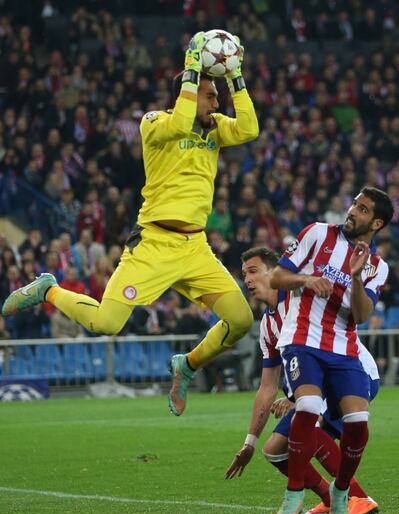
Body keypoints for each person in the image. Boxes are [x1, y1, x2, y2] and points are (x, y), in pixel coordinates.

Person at [1, 31, 259, 417]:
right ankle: (48, 290)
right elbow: (181, 122)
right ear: (187, 92)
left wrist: (235, 78)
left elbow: (251, 128)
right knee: (106, 323)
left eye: (217, 96)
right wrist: (192, 67)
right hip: (154, 244)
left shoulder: (216, 128)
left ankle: (185, 365)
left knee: (241, 320)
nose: (217, 102)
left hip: (195, 248)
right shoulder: (155, 123)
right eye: (211, 95)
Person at [269, 186, 394, 514]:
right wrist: (307, 278)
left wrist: (354, 276)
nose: (353, 211)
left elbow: (361, 314)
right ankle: (293, 495)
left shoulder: (377, 267)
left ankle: (341, 493)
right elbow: (277, 276)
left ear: (377, 222)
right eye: (354, 203)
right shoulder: (317, 233)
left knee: (357, 421)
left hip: (344, 348)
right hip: (302, 340)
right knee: (307, 405)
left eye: (364, 209)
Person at [225, 246, 379, 514]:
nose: (247, 279)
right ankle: (330, 499)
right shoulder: (267, 327)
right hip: (315, 387)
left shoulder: (301, 296)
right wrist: (248, 443)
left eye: (253, 271)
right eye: (244, 273)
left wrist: (297, 400)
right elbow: (267, 387)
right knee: (274, 450)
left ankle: (357, 499)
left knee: (308, 424)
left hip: (353, 373)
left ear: (276, 272)